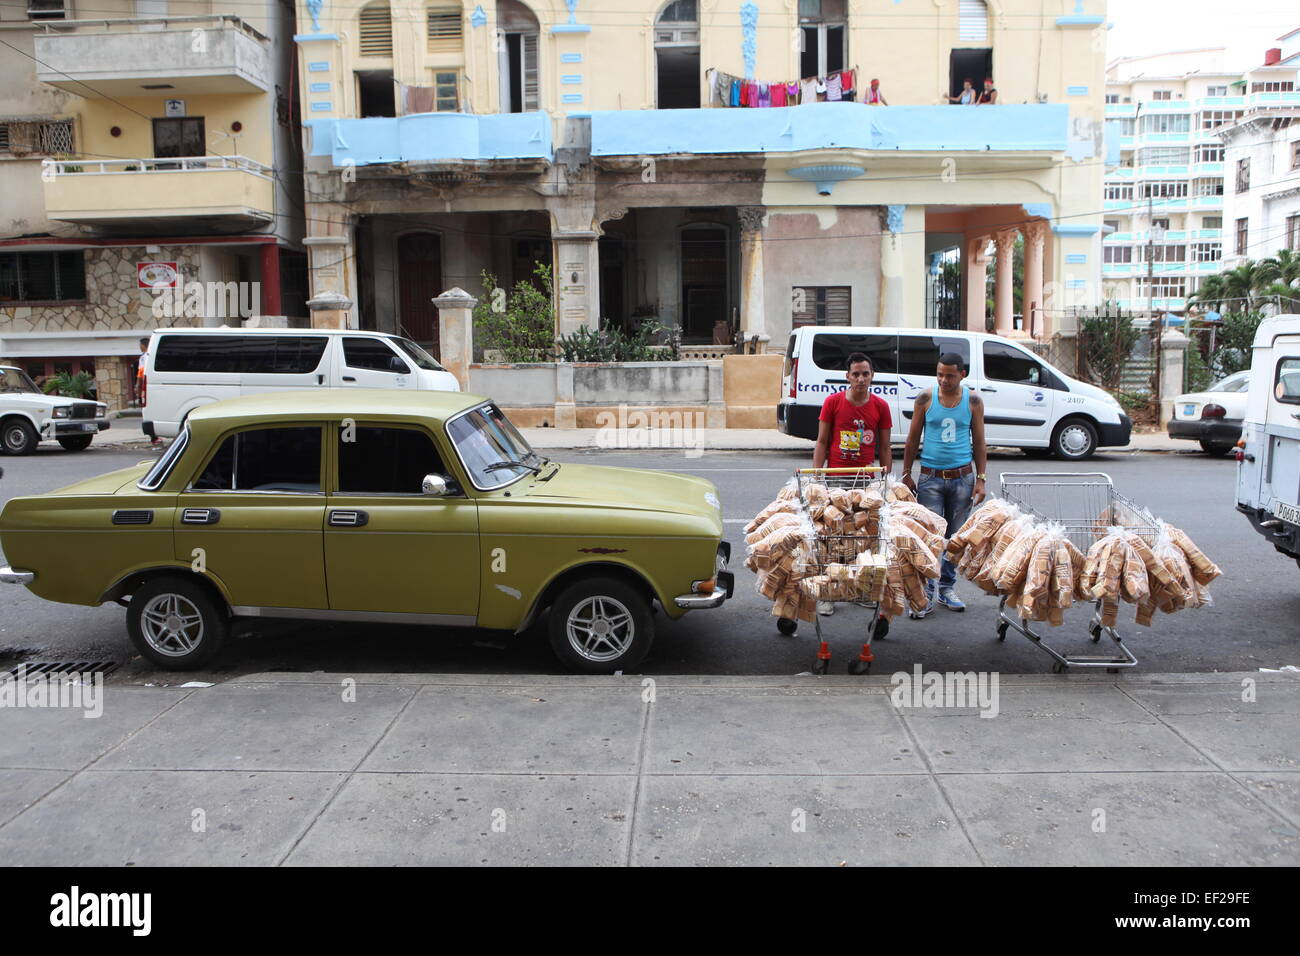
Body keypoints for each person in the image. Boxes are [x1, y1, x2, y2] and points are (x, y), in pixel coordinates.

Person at [900, 352, 987, 618]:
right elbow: (913, 439)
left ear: (962, 374)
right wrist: (906, 472)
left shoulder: (972, 400)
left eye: (949, 375)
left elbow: (980, 442)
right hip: (930, 478)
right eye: (939, 374)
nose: (943, 380)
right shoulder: (926, 398)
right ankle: (926, 592)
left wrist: (981, 479)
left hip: (962, 477)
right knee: (930, 537)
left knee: (955, 538)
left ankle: (947, 588)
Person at [812, 353, 892, 635]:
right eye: (855, 374)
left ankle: (860, 589)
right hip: (836, 479)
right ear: (847, 376)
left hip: (866, 482)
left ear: (872, 377)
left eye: (865, 374)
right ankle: (826, 593)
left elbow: (885, 447)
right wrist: (817, 477)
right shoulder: (833, 403)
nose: (860, 379)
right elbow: (822, 441)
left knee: (864, 538)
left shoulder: (880, 406)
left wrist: (885, 480)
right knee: (832, 536)